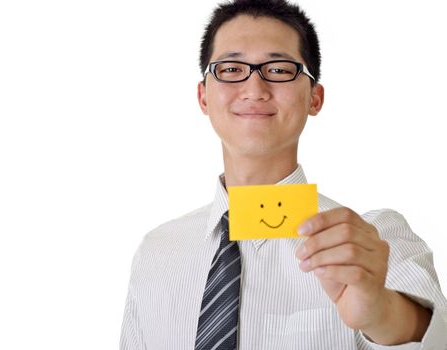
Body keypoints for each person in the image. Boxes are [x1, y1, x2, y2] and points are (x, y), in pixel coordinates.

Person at [120, 0, 447, 348]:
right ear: (203, 97)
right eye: (231, 69)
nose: (254, 88)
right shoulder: (156, 252)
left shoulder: (370, 240)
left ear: (314, 98)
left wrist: (382, 312)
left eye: (278, 70)